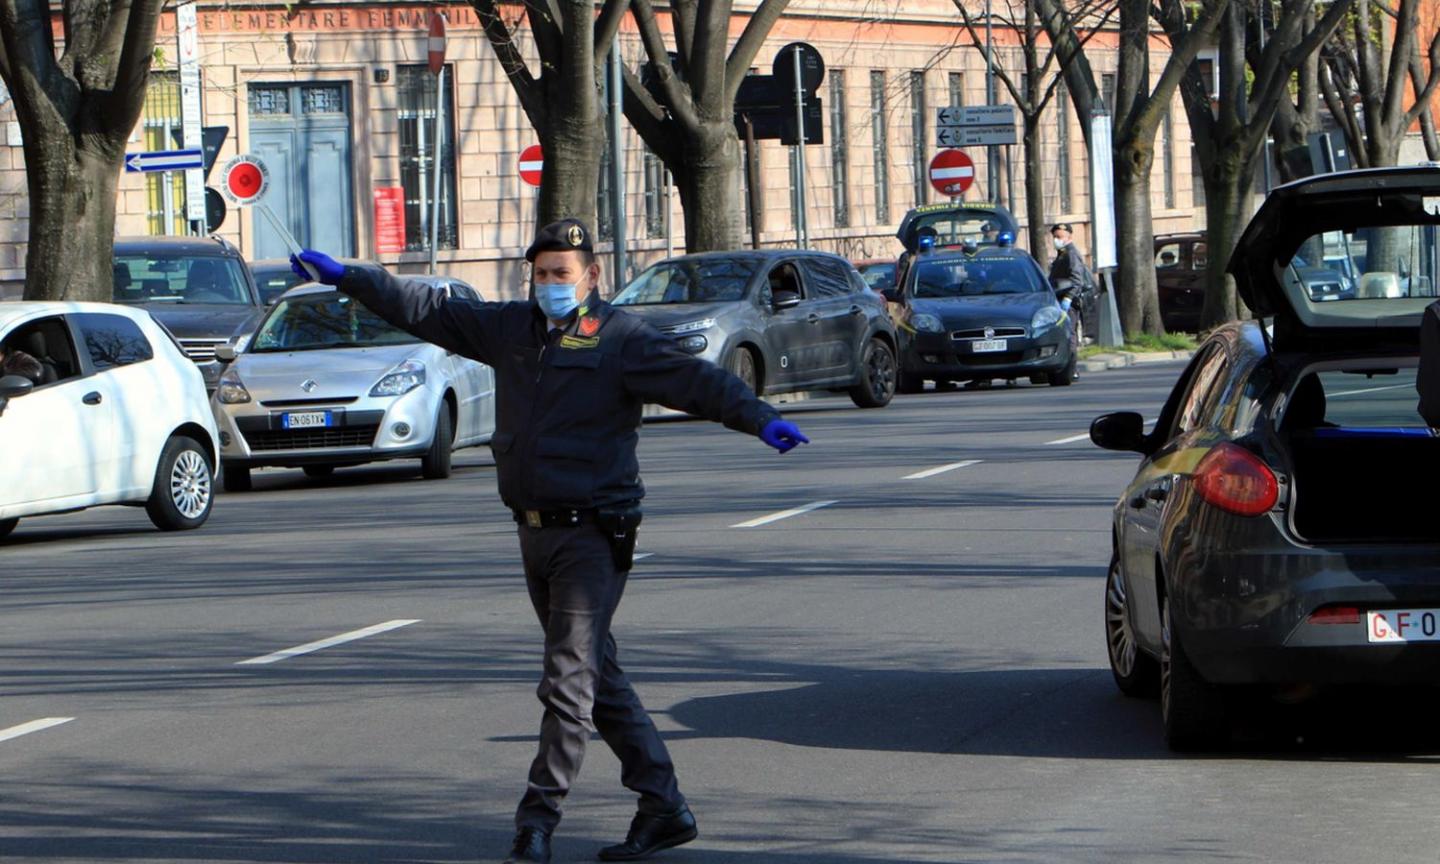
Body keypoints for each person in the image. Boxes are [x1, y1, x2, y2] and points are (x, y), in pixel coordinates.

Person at [290, 218, 809, 864]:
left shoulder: (619, 338)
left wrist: (760, 417)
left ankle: (535, 826)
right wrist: (350, 278)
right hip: (533, 532)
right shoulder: (511, 330)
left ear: (592, 277)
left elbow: (695, 381)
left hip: (595, 532)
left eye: (561, 274)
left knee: (567, 680)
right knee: (598, 676)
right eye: (539, 274)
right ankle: (664, 805)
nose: (548, 285)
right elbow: (425, 309)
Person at [1049, 223, 1096, 341]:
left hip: (1069, 301)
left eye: (1059, 237)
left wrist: (1068, 298)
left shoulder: (1071, 254)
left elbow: (1076, 279)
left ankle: (1072, 358)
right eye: (1054, 237)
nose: (1056, 240)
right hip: (1061, 298)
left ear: (1069, 237)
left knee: (1069, 334)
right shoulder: (1063, 253)